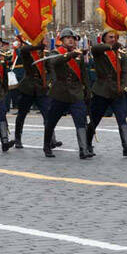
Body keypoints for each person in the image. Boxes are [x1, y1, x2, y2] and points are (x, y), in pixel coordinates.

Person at [45, 28, 92, 159]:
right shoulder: (55, 53)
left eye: (73, 38)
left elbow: (83, 75)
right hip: (60, 93)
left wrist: (87, 91)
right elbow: (54, 62)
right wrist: (71, 55)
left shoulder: (79, 55)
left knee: (80, 121)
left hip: (76, 92)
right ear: (62, 40)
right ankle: (47, 146)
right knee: (51, 121)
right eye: (68, 38)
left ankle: (83, 149)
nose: (71, 40)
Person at [88, 30, 127, 156]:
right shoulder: (100, 52)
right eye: (110, 37)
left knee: (122, 118)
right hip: (102, 91)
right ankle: (86, 143)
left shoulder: (121, 54)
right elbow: (95, 48)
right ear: (104, 39)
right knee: (95, 119)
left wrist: (124, 87)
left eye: (115, 37)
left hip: (117, 91)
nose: (113, 39)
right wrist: (110, 47)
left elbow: (125, 72)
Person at [13, 38, 51, 149]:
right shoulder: (29, 53)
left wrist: (48, 83)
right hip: (28, 88)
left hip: (41, 89)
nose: (44, 42)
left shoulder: (45, 54)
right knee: (22, 115)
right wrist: (38, 47)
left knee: (48, 115)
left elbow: (50, 70)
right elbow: (23, 50)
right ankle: (18, 138)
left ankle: (51, 139)